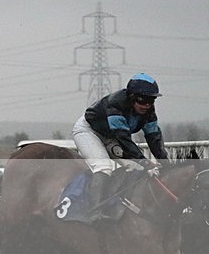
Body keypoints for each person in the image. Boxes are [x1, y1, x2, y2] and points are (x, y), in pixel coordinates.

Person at [72, 73, 168, 221]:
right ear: (131, 96)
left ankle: (118, 205)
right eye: (142, 100)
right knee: (103, 167)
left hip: (111, 136)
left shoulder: (149, 111)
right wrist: (144, 161)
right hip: (88, 131)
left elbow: (154, 138)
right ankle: (93, 212)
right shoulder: (116, 104)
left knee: (135, 168)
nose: (147, 105)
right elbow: (123, 139)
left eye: (151, 100)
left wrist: (166, 163)